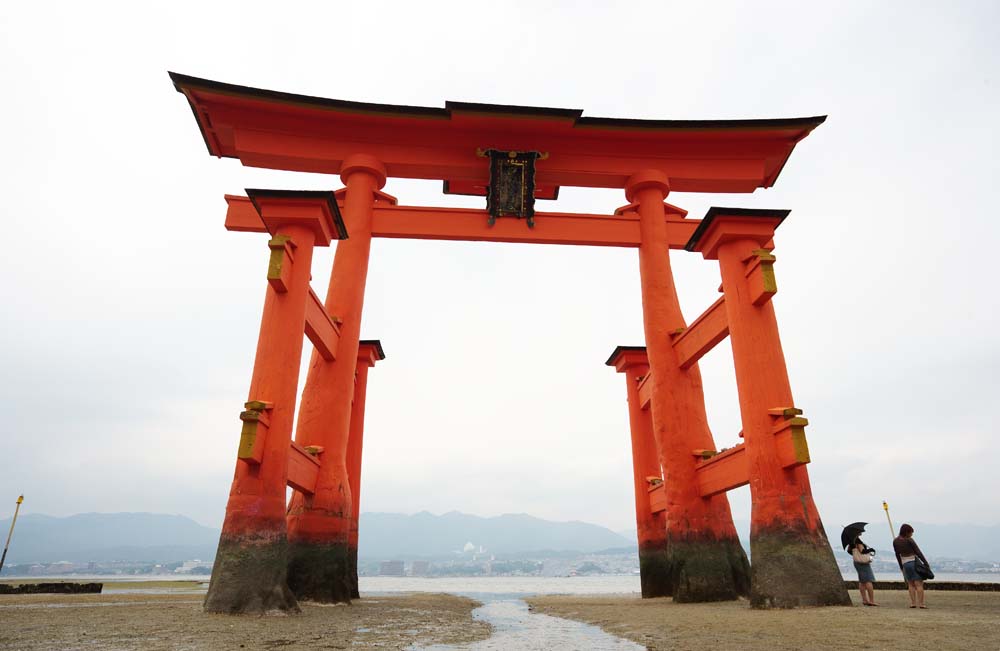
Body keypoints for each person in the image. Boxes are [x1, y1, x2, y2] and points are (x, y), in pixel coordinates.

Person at [893, 523, 930, 608]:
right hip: (913, 562)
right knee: (919, 584)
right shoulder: (909, 540)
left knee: (910, 584)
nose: (911, 534)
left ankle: (913, 603)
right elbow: (918, 552)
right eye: (911, 532)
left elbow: (897, 554)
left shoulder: (895, 541)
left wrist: (901, 566)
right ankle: (921, 603)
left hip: (905, 564)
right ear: (907, 532)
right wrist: (925, 563)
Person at [851, 538, 877, 606]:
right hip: (863, 563)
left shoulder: (851, 542)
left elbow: (849, 551)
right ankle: (871, 600)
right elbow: (862, 551)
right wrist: (870, 550)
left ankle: (864, 599)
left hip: (856, 562)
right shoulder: (857, 541)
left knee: (862, 581)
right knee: (869, 580)